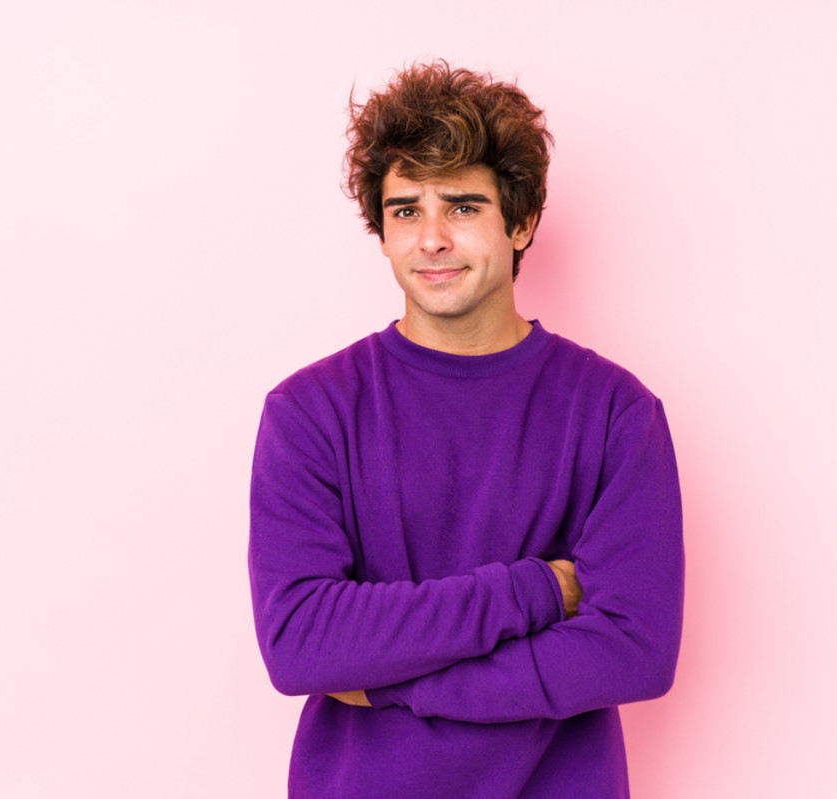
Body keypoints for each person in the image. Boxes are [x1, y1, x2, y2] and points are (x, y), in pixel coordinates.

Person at [248, 61, 684, 798]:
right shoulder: (309, 412)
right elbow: (301, 642)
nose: (431, 239)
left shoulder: (615, 411)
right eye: (406, 210)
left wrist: (392, 685)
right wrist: (537, 589)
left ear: (520, 222)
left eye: (461, 206)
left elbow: (634, 649)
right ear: (382, 233)